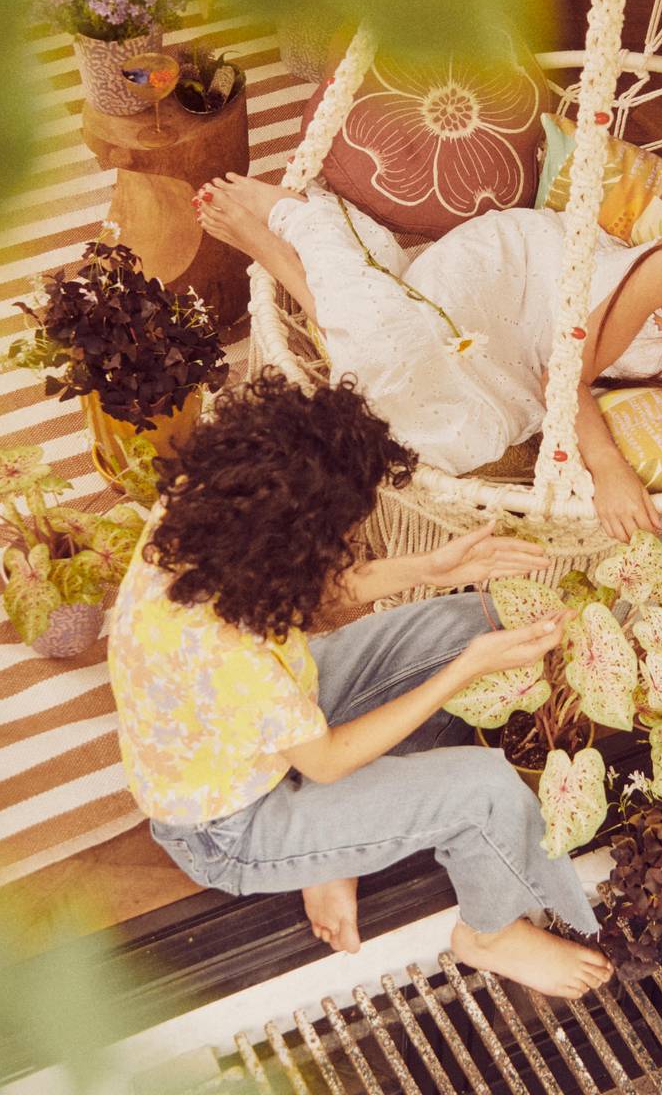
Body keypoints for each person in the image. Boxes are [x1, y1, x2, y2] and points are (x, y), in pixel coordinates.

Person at [105, 371, 615, 999]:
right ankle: (490, 932)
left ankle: (333, 852)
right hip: (233, 827)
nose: (354, 542)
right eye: (343, 535)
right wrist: (464, 670)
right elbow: (327, 761)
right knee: (484, 791)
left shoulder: (205, 512)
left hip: (270, 730)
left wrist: (430, 569)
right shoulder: (221, 652)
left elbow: (301, 590)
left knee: (470, 620)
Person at [196, 174, 662, 540]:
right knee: (394, 346)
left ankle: (340, 269)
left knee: (424, 421)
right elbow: (564, 375)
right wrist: (607, 466)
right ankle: (292, 232)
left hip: (532, 352)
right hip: (523, 276)